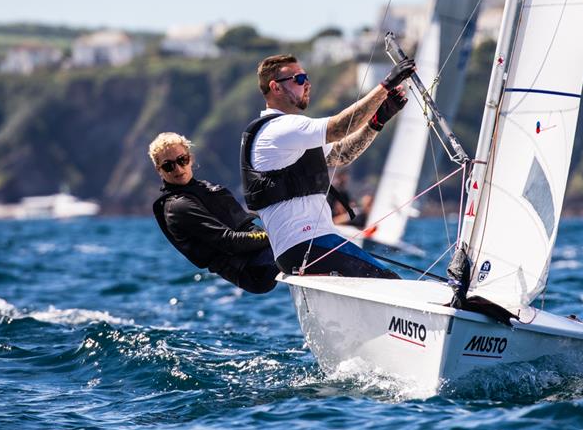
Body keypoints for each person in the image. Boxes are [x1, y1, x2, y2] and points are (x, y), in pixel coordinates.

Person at [240, 53, 414, 278]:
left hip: (303, 249)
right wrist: (385, 86)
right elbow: (340, 127)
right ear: (276, 87)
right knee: (390, 283)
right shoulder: (280, 128)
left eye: (306, 78)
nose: (307, 84)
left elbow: (342, 155)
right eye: (299, 79)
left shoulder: (291, 135)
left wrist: (377, 121)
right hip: (309, 245)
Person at [150, 132, 279, 293]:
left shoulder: (202, 188)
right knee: (305, 246)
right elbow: (229, 241)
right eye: (168, 165)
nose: (178, 168)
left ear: (190, 158)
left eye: (182, 160)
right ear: (159, 170)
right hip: (252, 270)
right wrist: (276, 236)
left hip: (261, 254)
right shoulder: (178, 207)